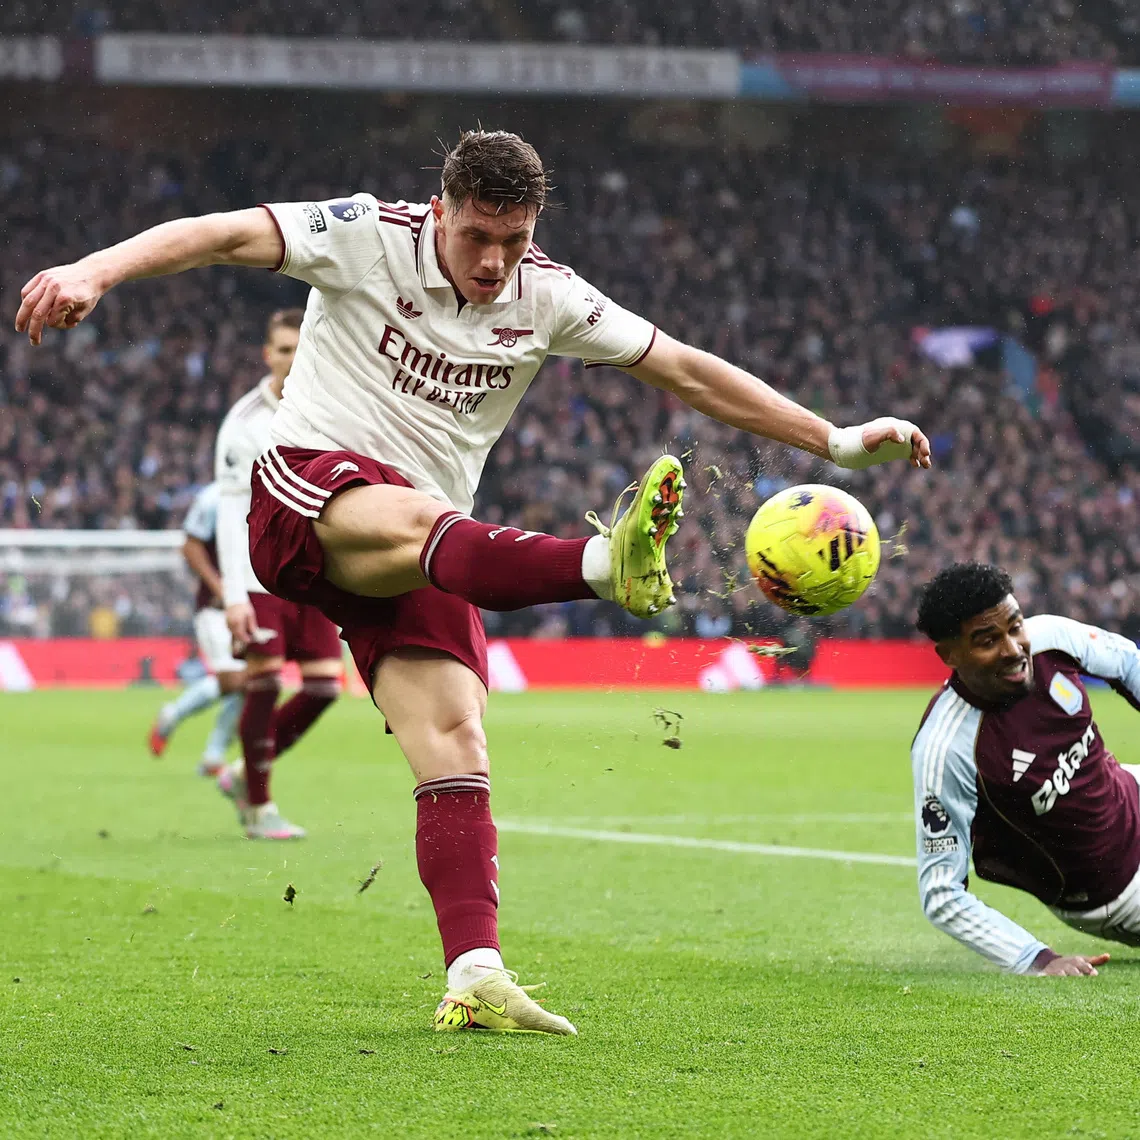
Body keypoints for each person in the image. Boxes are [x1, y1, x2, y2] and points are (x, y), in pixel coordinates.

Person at [16, 128, 930, 1035]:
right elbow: (217, 232)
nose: (495, 261)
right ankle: (600, 564)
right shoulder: (363, 235)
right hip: (308, 494)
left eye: (515, 240)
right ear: (442, 208)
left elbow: (686, 369)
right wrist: (94, 272)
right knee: (423, 523)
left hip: (429, 542)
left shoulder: (551, 297)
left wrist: (837, 439)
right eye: (477, 237)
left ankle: (475, 970)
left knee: (457, 740)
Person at [912, 561, 1140, 977]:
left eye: (1014, 626)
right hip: (1115, 890)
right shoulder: (947, 749)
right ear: (949, 654)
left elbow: (1128, 663)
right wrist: (1037, 959)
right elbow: (941, 892)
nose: (1013, 648)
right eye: (987, 640)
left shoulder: (1051, 636)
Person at [213, 309, 344, 840]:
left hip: (311, 571)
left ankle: (245, 772)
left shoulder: (332, 410)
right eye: (283, 350)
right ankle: (259, 808)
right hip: (256, 572)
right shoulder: (244, 422)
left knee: (323, 689)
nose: (292, 360)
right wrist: (231, 595)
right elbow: (227, 507)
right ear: (268, 355)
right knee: (264, 682)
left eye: (300, 349)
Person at [148, 481, 244, 776]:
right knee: (238, 680)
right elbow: (190, 546)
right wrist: (221, 589)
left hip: (250, 605)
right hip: (216, 609)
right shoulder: (214, 496)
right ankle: (175, 714)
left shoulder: (263, 490)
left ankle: (213, 756)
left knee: (249, 682)